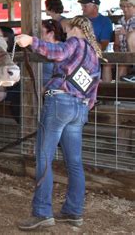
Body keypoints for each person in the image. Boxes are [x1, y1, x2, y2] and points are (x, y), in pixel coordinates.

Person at [15, 16, 102, 231]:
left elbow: (58, 52)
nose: (66, 33)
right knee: (74, 162)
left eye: (67, 29)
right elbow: (93, 89)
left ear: (75, 28)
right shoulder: (94, 53)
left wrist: (31, 41)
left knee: (44, 157)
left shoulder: (76, 42)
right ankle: (73, 211)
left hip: (59, 104)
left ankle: (42, 212)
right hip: (79, 107)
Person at [78, 0, 113, 82]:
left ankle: (105, 91)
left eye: (85, 6)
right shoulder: (80, 20)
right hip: (80, 51)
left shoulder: (105, 21)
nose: (82, 8)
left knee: (106, 62)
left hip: (95, 52)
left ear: (94, 7)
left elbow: (104, 45)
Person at [114, 0, 135, 82]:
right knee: (109, 64)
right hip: (124, 54)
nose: (125, 9)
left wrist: (126, 33)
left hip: (132, 53)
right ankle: (112, 93)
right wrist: (118, 55)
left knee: (131, 36)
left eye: (128, 6)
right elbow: (116, 44)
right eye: (123, 6)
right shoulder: (120, 21)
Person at [41, 19, 65, 85]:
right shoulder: (42, 47)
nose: (39, 35)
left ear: (51, 34)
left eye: (41, 32)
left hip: (54, 90)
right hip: (41, 89)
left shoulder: (63, 48)